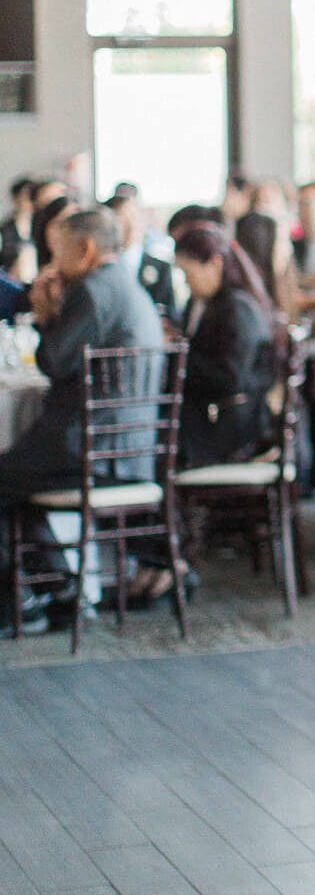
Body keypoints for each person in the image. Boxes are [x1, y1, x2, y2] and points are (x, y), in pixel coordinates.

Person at [0, 207, 163, 634]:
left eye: (57, 253)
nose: (53, 266)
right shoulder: (123, 285)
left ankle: (24, 600)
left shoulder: (92, 291)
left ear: (85, 249)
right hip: (130, 447)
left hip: (93, 450)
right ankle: (58, 585)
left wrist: (42, 313)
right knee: (11, 479)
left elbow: (53, 360)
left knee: (3, 477)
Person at [171, 222, 277, 468]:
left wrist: (178, 355)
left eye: (190, 274)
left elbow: (229, 378)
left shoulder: (238, 308)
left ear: (216, 264)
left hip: (234, 426)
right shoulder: (199, 303)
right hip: (212, 416)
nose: (187, 283)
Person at [108, 192, 176, 317]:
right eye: (121, 219)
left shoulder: (161, 268)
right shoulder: (103, 267)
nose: (129, 225)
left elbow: (169, 312)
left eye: (133, 217)